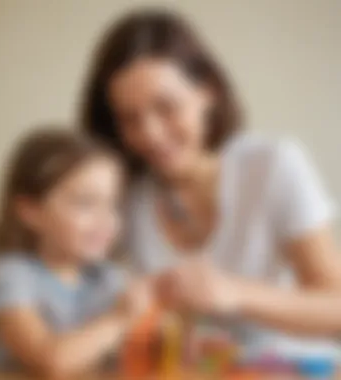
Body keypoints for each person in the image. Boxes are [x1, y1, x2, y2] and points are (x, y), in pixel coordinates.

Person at [80, 9, 341, 347]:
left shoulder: (273, 166)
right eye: (130, 119)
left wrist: (235, 293)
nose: (151, 135)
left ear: (208, 91)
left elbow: (335, 308)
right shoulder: (122, 195)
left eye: (166, 107)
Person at [0, 127, 151, 377]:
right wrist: (121, 318)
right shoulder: (12, 276)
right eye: (85, 203)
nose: (105, 220)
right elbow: (51, 362)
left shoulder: (108, 278)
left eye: (112, 204)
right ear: (31, 211)